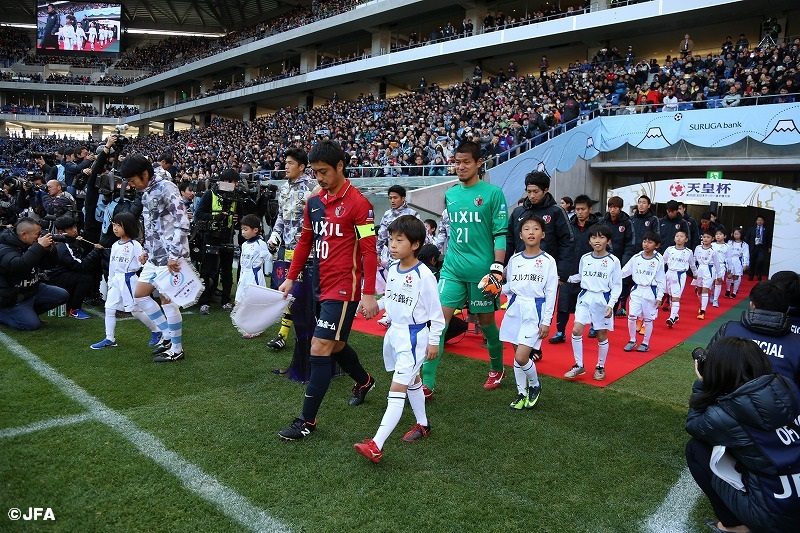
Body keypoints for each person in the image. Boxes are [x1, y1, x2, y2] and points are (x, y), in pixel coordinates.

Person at [276, 140, 379, 441]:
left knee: (320, 346)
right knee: (335, 345)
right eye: (315, 172)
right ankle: (364, 381)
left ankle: (306, 421)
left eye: (324, 172)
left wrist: (369, 293)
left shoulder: (360, 205)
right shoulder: (313, 202)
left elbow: (369, 251)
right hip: (319, 283)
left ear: (340, 166)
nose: (319, 178)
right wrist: (291, 277)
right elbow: (305, 242)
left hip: (344, 288)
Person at [353, 216, 445, 463]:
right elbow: (391, 298)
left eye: (399, 240)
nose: (392, 245)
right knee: (412, 380)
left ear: (415, 245)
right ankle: (423, 425)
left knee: (397, 388)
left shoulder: (424, 275)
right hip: (395, 334)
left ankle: (376, 444)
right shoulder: (393, 269)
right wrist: (376, 305)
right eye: (391, 239)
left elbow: (436, 314)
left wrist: (434, 341)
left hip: (414, 337)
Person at [685, 337, 800, 533]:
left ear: (718, 370)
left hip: (776, 517)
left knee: (696, 449)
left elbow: (694, 424)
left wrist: (703, 383)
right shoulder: (787, 388)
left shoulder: (725, 414)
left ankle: (735, 527)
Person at [421, 141, 508, 396]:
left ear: (479, 163)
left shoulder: (493, 194)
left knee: (486, 323)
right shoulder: (450, 195)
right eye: (457, 162)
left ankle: (497, 368)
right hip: (453, 269)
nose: (460, 167)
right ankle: (427, 383)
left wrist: (497, 268)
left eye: (466, 162)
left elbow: (500, 234)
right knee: (438, 322)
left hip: (483, 272)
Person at [119, 153, 190, 363]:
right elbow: (151, 225)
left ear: (144, 174)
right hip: (155, 256)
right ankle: (167, 335)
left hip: (170, 257)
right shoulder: (146, 192)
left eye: (132, 180)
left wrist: (174, 255)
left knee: (167, 300)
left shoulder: (167, 188)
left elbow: (182, 222)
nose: (131, 185)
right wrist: (147, 249)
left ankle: (176, 349)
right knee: (140, 295)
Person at [500, 214, 557, 410]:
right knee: (516, 353)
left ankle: (534, 384)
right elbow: (511, 287)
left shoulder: (548, 261)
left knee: (522, 357)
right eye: (526, 229)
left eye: (536, 228)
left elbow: (551, 292)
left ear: (543, 234)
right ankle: (521, 393)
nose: (531, 232)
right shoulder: (515, 259)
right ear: (521, 235)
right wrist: (496, 289)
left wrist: (546, 321)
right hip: (515, 309)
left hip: (535, 310)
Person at [266, 148, 315, 354]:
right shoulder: (284, 188)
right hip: (288, 250)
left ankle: (314, 336)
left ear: (302, 166)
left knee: (309, 295)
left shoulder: (313, 188)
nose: (285, 166)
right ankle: (283, 334)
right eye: (285, 162)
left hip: (310, 252)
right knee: (289, 292)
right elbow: (281, 216)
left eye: (290, 163)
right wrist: (275, 234)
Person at [706, 280, 799, 386]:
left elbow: (707, 366)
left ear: (752, 304)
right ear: (787, 309)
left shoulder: (729, 330)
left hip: (728, 395)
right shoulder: (796, 343)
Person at [90, 212, 161, 349]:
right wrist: (110, 281)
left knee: (135, 310)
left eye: (119, 225)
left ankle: (157, 330)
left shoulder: (135, 245)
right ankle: (110, 339)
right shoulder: (115, 245)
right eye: (114, 225)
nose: (115, 228)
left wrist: (144, 260)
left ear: (127, 227)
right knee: (109, 308)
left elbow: (143, 262)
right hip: (116, 280)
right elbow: (112, 266)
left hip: (129, 280)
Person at [564, 224, 622, 381]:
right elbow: (581, 276)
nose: (597, 240)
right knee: (576, 330)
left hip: (602, 300)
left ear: (608, 241)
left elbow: (617, 285)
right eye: (594, 237)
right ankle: (579, 365)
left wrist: (611, 305)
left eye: (601, 237)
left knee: (601, 334)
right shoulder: (585, 258)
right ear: (589, 241)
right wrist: (565, 278)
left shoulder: (613, 261)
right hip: (585, 297)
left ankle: (600, 366)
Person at [505, 172, 573, 285]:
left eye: (536, 192)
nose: (532, 195)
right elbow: (509, 241)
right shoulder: (518, 212)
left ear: (545, 190)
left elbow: (567, 242)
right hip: (521, 271)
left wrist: (562, 274)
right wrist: (500, 267)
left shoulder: (556, 211)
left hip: (546, 272)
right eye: (529, 191)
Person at [0, 218, 68, 330]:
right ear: (24, 234)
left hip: (32, 289)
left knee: (61, 295)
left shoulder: (30, 244)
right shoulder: (4, 249)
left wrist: (50, 250)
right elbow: (20, 266)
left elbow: (49, 265)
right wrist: (39, 247)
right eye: (37, 234)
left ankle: (28, 313)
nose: (39, 237)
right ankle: (4, 314)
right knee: (31, 325)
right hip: (12, 297)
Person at [550, 194, 599, 344]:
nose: (580, 212)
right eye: (577, 209)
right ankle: (560, 332)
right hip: (569, 269)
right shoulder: (568, 226)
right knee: (563, 303)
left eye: (583, 209)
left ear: (590, 209)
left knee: (591, 302)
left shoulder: (597, 228)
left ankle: (594, 326)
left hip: (590, 272)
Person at [195, 169, 241, 314]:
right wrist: (215, 217)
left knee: (227, 271)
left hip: (228, 236)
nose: (235, 185)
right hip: (211, 236)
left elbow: (240, 217)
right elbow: (199, 214)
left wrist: (237, 218)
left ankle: (226, 301)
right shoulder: (210, 194)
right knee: (207, 270)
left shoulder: (235, 197)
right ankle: (204, 302)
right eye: (234, 182)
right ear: (225, 181)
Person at [375, 185, 419, 328]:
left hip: (408, 258)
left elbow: (419, 236)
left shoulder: (412, 214)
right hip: (391, 258)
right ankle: (389, 314)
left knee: (406, 287)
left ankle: (400, 315)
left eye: (395, 197)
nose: (392, 200)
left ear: (403, 198)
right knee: (392, 286)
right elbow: (381, 235)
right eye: (390, 198)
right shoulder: (387, 214)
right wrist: (377, 252)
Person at [46, 215, 103, 320]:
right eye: (70, 228)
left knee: (83, 275)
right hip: (55, 277)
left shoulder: (67, 241)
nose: (75, 230)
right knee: (85, 277)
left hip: (60, 274)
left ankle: (72, 304)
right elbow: (81, 265)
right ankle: (73, 309)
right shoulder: (63, 246)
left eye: (75, 227)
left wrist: (77, 242)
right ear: (61, 232)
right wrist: (95, 251)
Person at [621, 231, 665, 353]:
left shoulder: (658, 259)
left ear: (657, 245)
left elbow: (661, 279)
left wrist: (660, 296)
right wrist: (612, 279)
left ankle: (645, 343)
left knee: (648, 318)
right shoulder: (636, 257)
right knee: (631, 316)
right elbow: (624, 271)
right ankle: (632, 340)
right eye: (644, 241)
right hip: (637, 290)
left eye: (650, 242)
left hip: (651, 291)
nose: (646, 244)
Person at [601, 196, 635, 316]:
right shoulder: (603, 221)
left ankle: (612, 313)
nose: (612, 210)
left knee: (616, 288)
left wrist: (623, 264)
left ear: (620, 208)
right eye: (610, 207)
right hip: (604, 259)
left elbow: (630, 244)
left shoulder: (627, 223)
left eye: (615, 207)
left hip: (619, 260)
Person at [234, 213, 271, 312]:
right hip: (244, 275)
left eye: (245, 229)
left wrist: (271, 249)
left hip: (254, 275)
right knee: (240, 298)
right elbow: (242, 262)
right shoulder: (244, 245)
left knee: (255, 300)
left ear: (255, 230)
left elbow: (268, 258)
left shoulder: (261, 244)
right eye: (242, 229)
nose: (243, 232)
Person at [663, 229, 696, 328]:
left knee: (676, 297)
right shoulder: (669, 249)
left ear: (686, 239)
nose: (679, 238)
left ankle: (672, 318)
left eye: (681, 236)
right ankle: (675, 315)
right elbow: (662, 261)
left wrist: (695, 274)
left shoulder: (688, 252)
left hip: (680, 275)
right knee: (670, 294)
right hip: (669, 273)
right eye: (677, 236)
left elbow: (692, 264)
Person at [693, 229, 722, 320]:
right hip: (699, 270)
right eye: (704, 237)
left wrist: (719, 276)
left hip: (709, 270)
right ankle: (702, 304)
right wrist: (693, 271)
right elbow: (694, 260)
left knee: (705, 289)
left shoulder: (714, 250)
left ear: (712, 239)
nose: (705, 239)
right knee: (699, 291)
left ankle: (703, 311)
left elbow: (717, 264)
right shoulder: (698, 248)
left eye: (708, 237)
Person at [724, 228, 748, 299]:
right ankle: (728, 290)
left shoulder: (744, 244)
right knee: (729, 275)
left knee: (737, 276)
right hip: (730, 260)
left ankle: (734, 292)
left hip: (738, 261)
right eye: (735, 234)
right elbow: (726, 252)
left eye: (737, 234)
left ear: (741, 234)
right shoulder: (730, 242)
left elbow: (746, 255)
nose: (736, 235)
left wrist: (745, 264)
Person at [745, 216, 770, 281]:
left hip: (762, 248)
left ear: (763, 221)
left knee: (760, 261)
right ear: (756, 221)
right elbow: (747, 238)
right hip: (753, 247)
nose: (759, 221)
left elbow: (769, 239)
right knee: (752, 261)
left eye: (761, 220)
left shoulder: (766, 229)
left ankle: (759, 274)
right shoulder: (751, 229)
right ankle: (751, 275)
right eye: (758, 220)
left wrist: (769, 247)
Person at [710, 229, 729, 307]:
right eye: (717, 234)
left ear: (725, 236)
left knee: (718, 282)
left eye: (720, 234)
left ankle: (715, 300)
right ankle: (712, 294)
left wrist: (730, 269)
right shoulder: (712, 244)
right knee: (711, 283)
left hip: (721, 266)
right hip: (712, 265)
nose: (718, 236)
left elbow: (729, 258)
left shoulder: (727, 246)